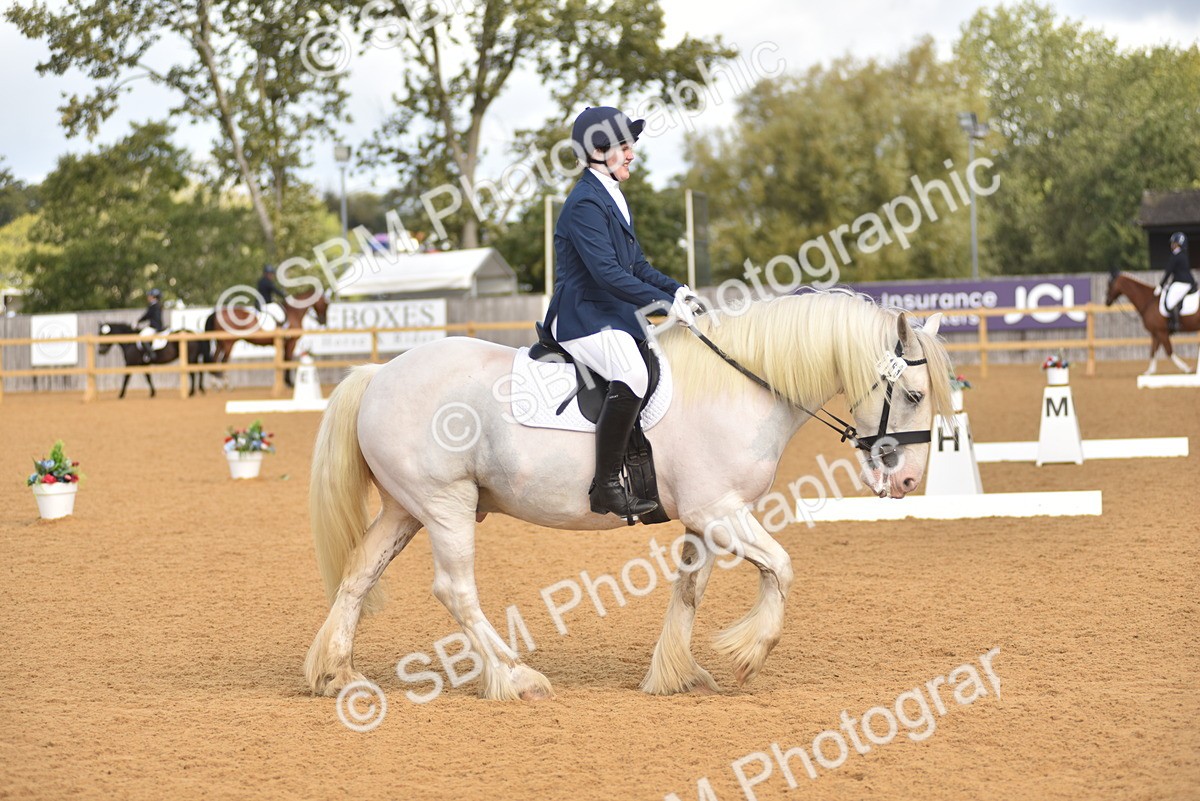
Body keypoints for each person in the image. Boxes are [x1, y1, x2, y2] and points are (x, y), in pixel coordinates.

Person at [541, 106, 702, 519]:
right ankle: (607, 485)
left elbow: (637, 267)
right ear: (598, 151)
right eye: (624, 146)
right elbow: (608, 274)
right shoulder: (584, 204)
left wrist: (677, 289)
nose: (632, 154)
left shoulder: (612, 196)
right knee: (631, 372)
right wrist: (665, 308)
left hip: (611, 311)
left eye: (630, 146)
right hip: (582, 314)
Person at [1158, 232, 1196, 333]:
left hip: (1181, 283)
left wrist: (1161, 285)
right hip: (1185, 282)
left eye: (1173, 243)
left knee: (1170, 302)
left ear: (1178, 244)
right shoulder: (1183, 255)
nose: (1171, 245)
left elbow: (1168, 271)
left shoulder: (1176, 255)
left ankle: (1175, 324)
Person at [136, 288, 166, 357]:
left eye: (149, 295)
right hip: (156, 326)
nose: (148, 297)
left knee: (142, 336)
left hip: (154, 327)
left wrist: (138, 321)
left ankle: (150, 354)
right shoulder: (158, 305)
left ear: (153, 297)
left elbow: (147, 315)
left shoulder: (153, 306)